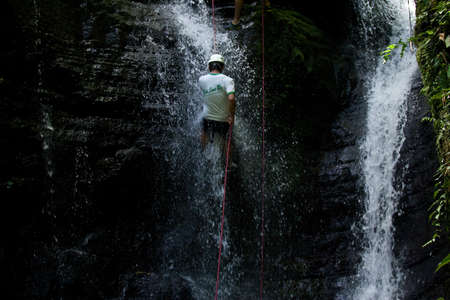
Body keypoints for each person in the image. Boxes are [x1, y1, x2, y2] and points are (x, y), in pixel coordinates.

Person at [198, 54, 235, 151]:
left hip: (207, 117)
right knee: (226, 139)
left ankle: (202, 151)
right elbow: (231, 98)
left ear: (209, 66)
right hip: (222, 119)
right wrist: (231, 116)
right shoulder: (228, 80)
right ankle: (228, 162)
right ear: (222, 67)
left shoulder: (201, 80)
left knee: (204, 131)